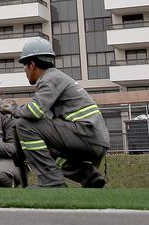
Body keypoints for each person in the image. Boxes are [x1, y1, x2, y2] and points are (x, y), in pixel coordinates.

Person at [9, 37, 109, 188]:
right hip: (92, 138)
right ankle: (88, 175)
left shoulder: (49, 79)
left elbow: (34, 112)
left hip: (85, 134)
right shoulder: (57, 77)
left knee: (24, 125)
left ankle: (51, 182)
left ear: (32, 65)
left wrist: (12, 109)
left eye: (24, 66)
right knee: (43, 146)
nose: (25, 71)